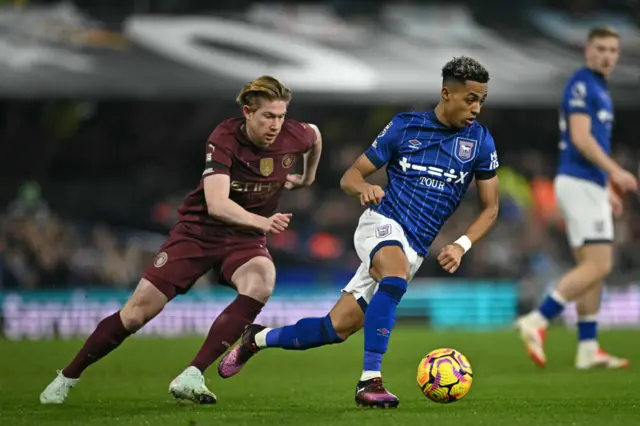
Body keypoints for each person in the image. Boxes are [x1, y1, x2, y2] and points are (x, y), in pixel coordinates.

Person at [218, 57, 500, 409]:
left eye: (482, 100)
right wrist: (362, 188)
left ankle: (256, 339)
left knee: (334, 329)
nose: (477, 108)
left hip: (415, 247)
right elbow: (350, 176)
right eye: (470, 99)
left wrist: (461, 244)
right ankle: (370, 382)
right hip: (382, 223)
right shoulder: (405, 127)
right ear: (446, 93)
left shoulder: (480, 142)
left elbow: (491, 207)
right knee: (393, 277)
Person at [39, 75, 323, 404]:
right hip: (198, 233)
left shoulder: (295, 134)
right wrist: (263, 221)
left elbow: (314, 136)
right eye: (268, 116)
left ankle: (192, 375)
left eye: (281, 115)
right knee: (135, 314)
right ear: (247, 112)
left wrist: (306, 178)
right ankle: (68, 376)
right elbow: (217, 205)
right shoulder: (225, 137)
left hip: (244, 237)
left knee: (261, 282)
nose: (276, 124)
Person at [516, 26, 637, 369]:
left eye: (613, 49)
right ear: (587, 50)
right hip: (579, 182)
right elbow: (583, 140)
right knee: (601, 264)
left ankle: (587, 347)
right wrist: (615, 172)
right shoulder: (583, 84)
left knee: (592, 269)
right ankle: (537, 319)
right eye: (601, 48)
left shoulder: (599, 87)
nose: (607, 55)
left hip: (589, 184)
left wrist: (605, 189)